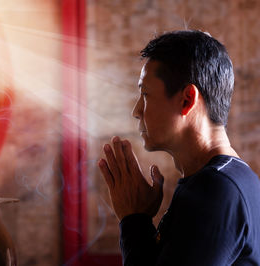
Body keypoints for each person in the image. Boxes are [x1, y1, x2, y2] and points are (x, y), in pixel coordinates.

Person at [98, 30, 260, 265]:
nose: (136, 111)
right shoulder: (229, 179)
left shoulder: (215, 190)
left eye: (145, 94)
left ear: (187, 100)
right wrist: (139, 219)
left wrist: (133, 220)